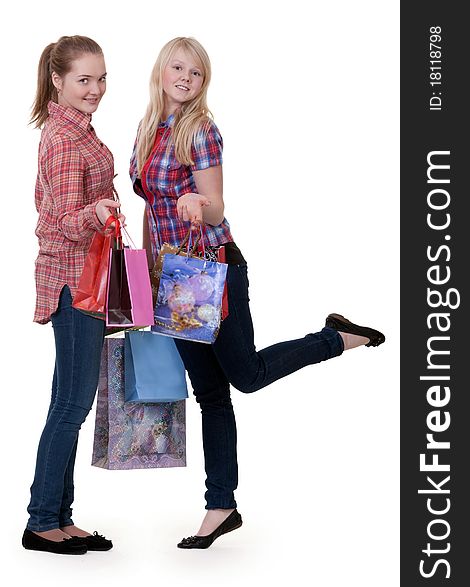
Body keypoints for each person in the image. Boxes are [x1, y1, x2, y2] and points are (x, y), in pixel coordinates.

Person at [130, 37, 385, 550]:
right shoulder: (146, 129)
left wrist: (196, 203)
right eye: (177, 67)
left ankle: (334, 338)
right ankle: (221, 506)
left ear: (205, 82)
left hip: (212, 268)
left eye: (196, 72)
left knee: (244, 376)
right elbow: (149, 208)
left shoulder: (199, 130)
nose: (185, 77)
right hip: (171, 277)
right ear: (160, 71)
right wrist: (146, 273)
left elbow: (218, 208)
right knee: (210, 395)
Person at [23, 35, 122, 554]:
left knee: (68, 402)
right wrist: (97, 211)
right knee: (71, 404)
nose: (96, 88)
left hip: (88, 280)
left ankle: (57, 516)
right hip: (74, 283)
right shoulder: (63, 139)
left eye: (101, 78)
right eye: (84, 79)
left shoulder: (75, 129)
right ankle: (42, 521)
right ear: (57, 81)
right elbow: (59, 222)